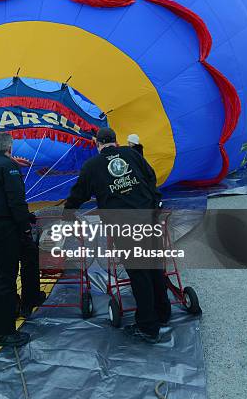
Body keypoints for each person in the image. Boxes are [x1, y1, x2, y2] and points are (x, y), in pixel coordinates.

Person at [63, 127, 170, 344]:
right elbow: (151, 178)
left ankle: (148, 327)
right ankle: (163, 312)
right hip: (149, 218)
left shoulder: (92, 166)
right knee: (155, 266)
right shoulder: (133, 155)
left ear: (97, 143)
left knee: (139, 273)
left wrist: (68, 211)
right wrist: (155, 203)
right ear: (115, 141)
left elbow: (79, 192)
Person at [0, 132, 43, 347]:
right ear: (10, 148)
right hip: (6, 226)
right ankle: (3, 332)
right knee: (6, 276)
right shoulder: (8, 166)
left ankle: (30, 298)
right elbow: (16, 200)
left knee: (30, 253)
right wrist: (25, 226)